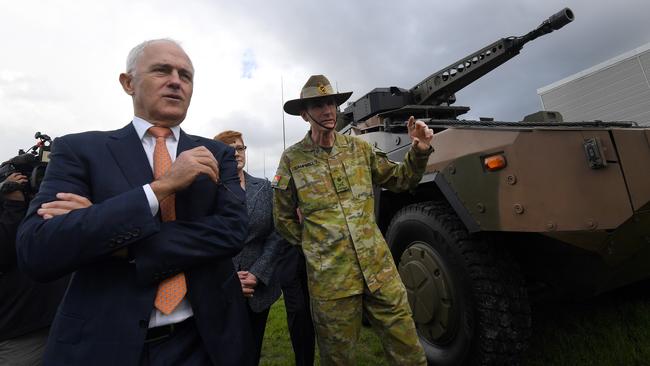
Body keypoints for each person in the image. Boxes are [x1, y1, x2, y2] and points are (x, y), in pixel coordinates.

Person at [16, 39, 252, 366]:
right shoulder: (80, 151)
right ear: (128, 83)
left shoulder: (217, 154)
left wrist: (113, 238)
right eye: (161, 71)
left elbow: (231, 232)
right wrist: (160, 187)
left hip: (204, 342)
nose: (175, 81)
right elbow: (38, 249)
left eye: (185, 75)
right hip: (104, 344)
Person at [272, 74, 433, 365]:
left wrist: (418, 152)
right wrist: (314, 246)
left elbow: (400, 180)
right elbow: (283, 218)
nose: (328, 110)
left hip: (380, 272)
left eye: (331, 102)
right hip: (331, 284)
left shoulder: (360, 149)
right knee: (338, 359)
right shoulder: (292, 159)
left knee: (409, 352)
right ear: (304, 114)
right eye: (319, 105)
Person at [213, 130, 284, 364]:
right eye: (229, 149)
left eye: (240, 148)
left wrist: (257, 273)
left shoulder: (263, 188)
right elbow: (204, 241)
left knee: (251, 353)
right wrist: (229, 279)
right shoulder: (206, 191)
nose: (236, 153)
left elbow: (276, 234)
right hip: (221, 288)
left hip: (258, 289)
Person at [0, 172, 68, 365]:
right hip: (16, 330)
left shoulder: (46, 207)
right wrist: (13, 205)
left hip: (44, 319)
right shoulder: (10, 208)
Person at [275, 241, 315, 366]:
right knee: (297, 310)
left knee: (309, 314)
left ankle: (307, 361)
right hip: (287, 257)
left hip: (312, 258)